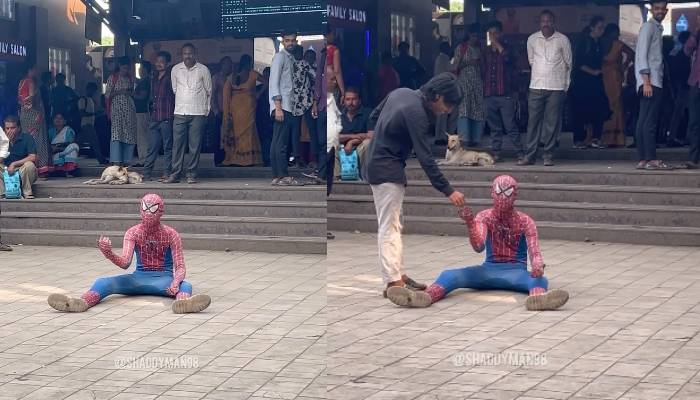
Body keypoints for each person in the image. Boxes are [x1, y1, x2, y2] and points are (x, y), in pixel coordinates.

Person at [386, 175, 570, 311]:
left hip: (516, 272)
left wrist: (537, 265)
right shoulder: (485, 217)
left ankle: (538, 298)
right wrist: (470, 224)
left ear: (515, 197)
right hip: (489, 269)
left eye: (507, 195)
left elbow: (534, 251)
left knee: (539, 279)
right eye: (499, 195)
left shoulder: (525, 221)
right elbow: (479, 246)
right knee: (449, 275)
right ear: (492, 194)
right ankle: (425, 296)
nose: (502, 201)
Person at [363, 73, 467, 297]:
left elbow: (373, 116)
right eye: (448, 104)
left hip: (380, 163)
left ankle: (398, 274)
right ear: (437, 96)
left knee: (395, 224)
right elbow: (426, 158)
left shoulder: (402, 92)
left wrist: (381, 138)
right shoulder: (417, 114)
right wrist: (448, 190)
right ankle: (392, 283)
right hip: (386, 169)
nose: (448, 110)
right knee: (389, 226)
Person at [47, 194, 212, 314]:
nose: (148, 213)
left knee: (186, 285)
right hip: (138, 278)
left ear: (161, 212)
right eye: (145, 208)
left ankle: (183, 303)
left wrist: (175, 282)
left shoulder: (171, 234)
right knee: (103, 282)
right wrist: (108, 253)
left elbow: (180, 266)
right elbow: (125, 262)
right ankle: (82, 302)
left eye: (153, 209)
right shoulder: (132, 232)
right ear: (140, 209)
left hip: (165, 280)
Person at [519, 10, 572, 167]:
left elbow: (569, 64)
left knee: (552, 123)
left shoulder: (563, 40)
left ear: (554, 22)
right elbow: (531, 61)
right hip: (536, 85)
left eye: (548, 20)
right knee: (533, 123)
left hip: (556, 87)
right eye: (543, 21)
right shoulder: (532, 39)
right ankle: (530, 156)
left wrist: (565, 86)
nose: (546, 23)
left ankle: (548, 155)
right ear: (539, 22)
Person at [166, 43, 212, 184]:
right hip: (180, 111)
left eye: (190, 53)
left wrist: (206, 110)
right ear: (182, 54)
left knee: (194, 145)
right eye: (185, 53)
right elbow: (175, 89)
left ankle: (191, 174)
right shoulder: (175, 69)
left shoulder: (203, 70)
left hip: (198, 112)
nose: (188, 56)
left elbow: (209, 91)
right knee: (177, 145)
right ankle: (175, 174)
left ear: (195, 53)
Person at [634, 1, 671, 170]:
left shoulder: (656, 28)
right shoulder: (649, 27)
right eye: (657, 9)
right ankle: (650, 158)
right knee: (650, 122)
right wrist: (647, 82)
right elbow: (641, 55)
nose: (660, 12)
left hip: (649, 81)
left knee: (643, 121)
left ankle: (643, 159)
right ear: (651, 10)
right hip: (651, 82)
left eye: (663, 9)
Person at [483, 20, 523, 162]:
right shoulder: (485, 51)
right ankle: (496, 153)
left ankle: (520, 153)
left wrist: (498, 46)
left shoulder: (509, 49)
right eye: (490, 33)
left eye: (495, 33)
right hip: (489, 94)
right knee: (494, 127)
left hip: (505, 94)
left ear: (501, 33)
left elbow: (511, 61)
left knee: (510, 125)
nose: (492, 36)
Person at [571, 16, 611, 150]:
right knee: (581, 111)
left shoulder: (599, 42)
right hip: (583, 82)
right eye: (599, 27)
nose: (602, 30)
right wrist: (592, 71)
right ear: (592, 27)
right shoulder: (584, 41)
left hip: (596, 82)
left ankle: (596, 138)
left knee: (598, 109)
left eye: (603, 28)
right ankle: (578, 140)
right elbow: (578, 62)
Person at [269, 31, 303, 186]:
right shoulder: (280, 57)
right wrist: (278, 108)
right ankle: (282, 175)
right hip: (283, 106)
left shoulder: (289, 58)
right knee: (281, 143)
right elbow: (274, 83)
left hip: (286, 106)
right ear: (282, 42)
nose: (291, 43)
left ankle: (277, 175)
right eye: (287, 40)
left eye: (293, 41)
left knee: (277, 141)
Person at [221, 54, 262, 166]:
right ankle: (248, 159)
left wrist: (226, 113)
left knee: (236, 132)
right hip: (248, 106)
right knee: (248, 133)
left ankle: (235, 158)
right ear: (249, 63)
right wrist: (258, 94)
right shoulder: (253, 74)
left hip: (235, 108)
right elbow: (267, 82)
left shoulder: (232, 76)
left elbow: (225, 94)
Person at [601, 23, 635, 147]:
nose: (617, 35)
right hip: (614, 76)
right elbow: (632, 54)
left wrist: (624, 66)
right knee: (615, 105)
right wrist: (624, 65)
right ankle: (616, 138)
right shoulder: (617, 44)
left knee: (611, 104)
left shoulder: (602, 43)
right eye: (616, 32)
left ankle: (607, 138)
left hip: (605, 76)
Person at [144, 51, 175, 182]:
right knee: (152, 146)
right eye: (157, 61)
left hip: (167, 116)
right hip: (155, 116)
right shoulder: (154, 77)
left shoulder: (170, 77)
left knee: (168, 147)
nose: (158, 64)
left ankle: (167, 173)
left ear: (167, 63)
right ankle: (146, 173)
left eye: (162, 61)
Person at [454, 24, 485, 148]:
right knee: (465, 110)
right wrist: (467, 62)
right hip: (464, 83)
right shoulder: (461, 48)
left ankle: (476, 138)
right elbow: (455, 66)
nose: (475, 38)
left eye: (477, 36)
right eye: (473, 35)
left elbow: (483, 68)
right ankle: (464, 138)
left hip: (477, 83)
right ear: (468, 35)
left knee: (477, 109)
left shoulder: (479, 49)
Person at [18, 66, 51, 177]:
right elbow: (31, 96)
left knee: (28, 139)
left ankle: (29, 166)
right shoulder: (30, 81)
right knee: (38, 140)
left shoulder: (21, 82)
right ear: (30, 70)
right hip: (34, 115)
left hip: (24, 115)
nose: (37, 72)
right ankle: (40, 168)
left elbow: (20, 99)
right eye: (35, 70)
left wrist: (24, 103)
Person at [105, 56, 137, 166]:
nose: (125, 71)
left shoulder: (130, 78)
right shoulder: (112, 78)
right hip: (117, 110)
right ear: (119, 67)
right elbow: (108, 95)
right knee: (116, 135)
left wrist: (129, 92)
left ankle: (127, 160)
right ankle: (116, 161)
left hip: (129, 110)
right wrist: (119, 92)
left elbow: (133, 93)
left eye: (127, 69)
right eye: (124, 68)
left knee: (129, 134)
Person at [335, 87, 372, 179]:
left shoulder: (368, 113)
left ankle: (362, 175)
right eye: (348, 99)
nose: (350, 102)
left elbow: (371, 135)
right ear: (344, 101)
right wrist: (353, 136)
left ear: (359, 101)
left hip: (360, 147)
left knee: (368, 143)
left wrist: (351, 142)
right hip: (342, 148)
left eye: (354, 99)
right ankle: (338, 177)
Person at [0, 115, 38, 199]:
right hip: (7, 173)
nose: (10, 131)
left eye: (13, 128)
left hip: (22, 171)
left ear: (19, 128)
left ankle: (27, 192)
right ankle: (2, 193)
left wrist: (14, 164)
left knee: (29, 165)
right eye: (7, 128)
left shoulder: (27, 138)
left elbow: (33, 157)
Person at [291, 45, 316, 169]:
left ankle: (297, 159)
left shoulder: (290, 65)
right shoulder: (305, 64)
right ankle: (313, 159)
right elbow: (315, 76)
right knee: (311, 130)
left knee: (296, 131)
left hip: (295, 102)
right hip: (306, 101)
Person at [668, 31, 692, 147]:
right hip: (686, 88)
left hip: (683, 87)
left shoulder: (678, 55)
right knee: (685, 113)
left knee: (679, 113)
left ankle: (674, 136)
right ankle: (680, 136)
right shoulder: (685, 56)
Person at [78, 82, 108, 164]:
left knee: (78, 143)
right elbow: (82, 113)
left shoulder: (91, 100)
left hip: (90, 124)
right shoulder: (82, 99)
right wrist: (94, 114)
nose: (94, 93)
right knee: (95, 143)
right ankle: (101, 160)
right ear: (88, 90)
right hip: (86, 125)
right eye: (93, 91)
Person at [211, 56, 233, 166]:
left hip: (231, 112)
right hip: (219, 112)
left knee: (230, 136)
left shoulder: (233, 78)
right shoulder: (216, 78)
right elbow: (212, 96)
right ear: (222, 65)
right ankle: (218, 159)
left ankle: (230, 159)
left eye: (230, 64)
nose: (229, 66)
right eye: (227, 64)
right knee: (218, 137)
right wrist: (215, 111)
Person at [685, 19, 700, 169]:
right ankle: (693, 158)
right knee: (694, 122)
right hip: (695, 83)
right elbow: (687, 50)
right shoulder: (697, 35)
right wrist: (696, 33)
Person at [132, 61, 152, 167]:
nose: (139, 70)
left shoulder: (144, 82)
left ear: (145, 70)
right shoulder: (144, 81)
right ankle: (144, 158)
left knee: (142, 136)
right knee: (142, 135)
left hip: (142, 111)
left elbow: (142, 96)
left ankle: (143, 159)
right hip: (142, 111)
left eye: (141, 68)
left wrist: (132, 94)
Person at [48, 112, 80, 177]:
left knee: (74, 146)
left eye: (60, 118)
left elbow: (70, 143)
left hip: (65, 151)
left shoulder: (68, 130)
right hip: (53, 153)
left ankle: (70, 170)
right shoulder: (50, 131)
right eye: (56, 118)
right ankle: (59, 170)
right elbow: (47, 143)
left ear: (65, 121)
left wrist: (58, 148)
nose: (58, 120)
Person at [256, 67, 273, 167]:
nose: (266, 78)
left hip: (272, 117)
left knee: (272, 139)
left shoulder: (275, 88)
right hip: (261, 117)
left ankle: (271, 159)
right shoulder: (258, 89)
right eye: (265, 76)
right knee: (263, 139)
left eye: (268, 76)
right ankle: (265, 159)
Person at [326, 28, 345, 102]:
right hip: (331, 83)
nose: (334, 36)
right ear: (328, 35)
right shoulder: (334, 50)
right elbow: (337, 71)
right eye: (333, 34)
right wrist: (343, 91)